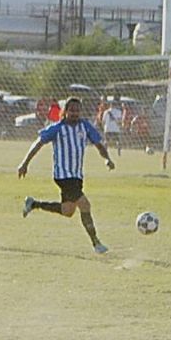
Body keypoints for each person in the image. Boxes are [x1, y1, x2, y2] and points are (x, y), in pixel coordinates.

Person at [17, 97, 116, 254]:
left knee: (68, 211)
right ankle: (96, 243)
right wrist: (24, 163)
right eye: (72, 110)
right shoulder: (57, 128)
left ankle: (33, 204)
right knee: (85, 205)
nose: (75, 113)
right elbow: (38, 143)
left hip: (76, 176)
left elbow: (99, 145)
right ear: (65, 111)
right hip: (63, 176)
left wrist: (107, 159)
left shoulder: (85, 127)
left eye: (77, 110)